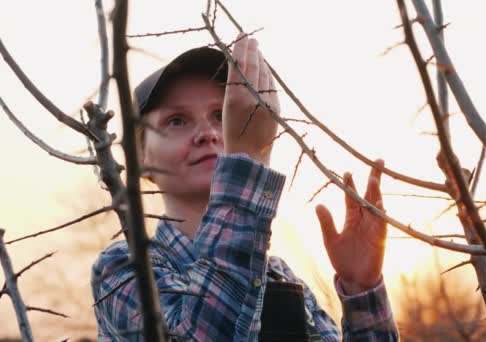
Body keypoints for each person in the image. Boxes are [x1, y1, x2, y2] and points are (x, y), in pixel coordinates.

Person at [91, 33, 398, 341]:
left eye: (221, 115)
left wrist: (362, 292)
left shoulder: (280, 278)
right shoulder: (122, 269)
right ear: (139, 156)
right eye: (177, 121)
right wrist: (245, 161)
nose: (207, 133)